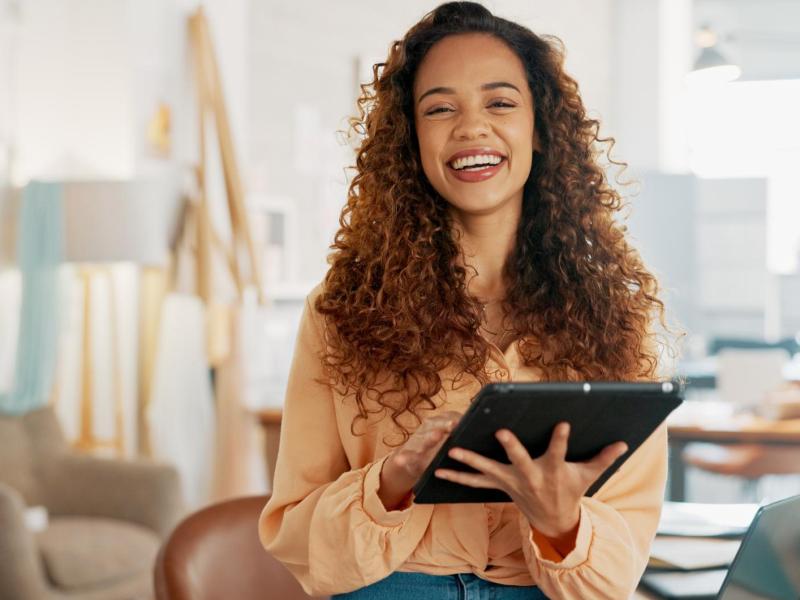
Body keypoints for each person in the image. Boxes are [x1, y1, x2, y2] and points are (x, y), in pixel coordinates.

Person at [259, 2, 672, 598]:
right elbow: (295, 538)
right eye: (440, 108)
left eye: (500, 102)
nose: (471, 127)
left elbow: (616, 575)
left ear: (540, 128)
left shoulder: (617, 318)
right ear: (411, 137)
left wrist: (561, 523)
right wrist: (392, 483)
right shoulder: (339, 311)